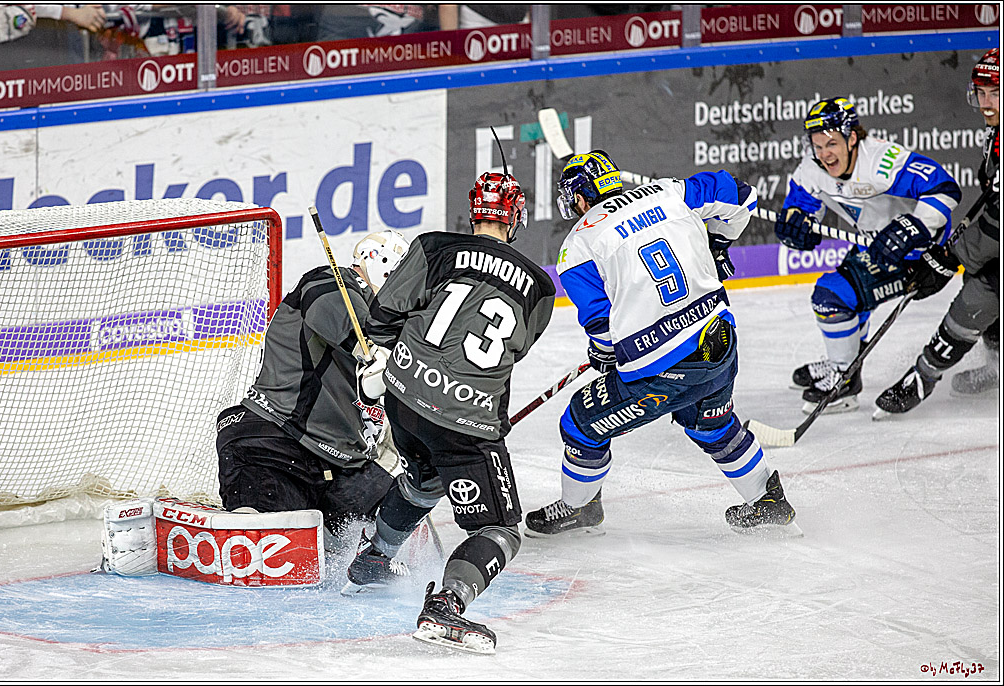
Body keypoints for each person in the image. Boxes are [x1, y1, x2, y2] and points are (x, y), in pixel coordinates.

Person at [524, 151, 797, 539]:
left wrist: (604, 353)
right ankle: (768, 501)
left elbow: (601, 326)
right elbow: (740, 193)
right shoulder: (668, 193)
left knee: (581, 423)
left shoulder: (579, 242)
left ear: (580, 199)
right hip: (718, 341)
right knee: (710, 423)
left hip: (663, 369)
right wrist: (717, 243)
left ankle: (580, 507)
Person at [341, 170, 556, 655]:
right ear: (516, 215)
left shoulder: (433, 246)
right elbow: (511, 352)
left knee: (423, 479)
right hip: (464, 420)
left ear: (473, 210)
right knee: (498, 531)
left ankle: (376, 558)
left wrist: (391, 355)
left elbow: (381, 318)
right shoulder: (540, 287)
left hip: (403, 397)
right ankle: (447, 605)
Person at [214, 230, 409, 554]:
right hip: (274, 440)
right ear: (384, 267)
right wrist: (375, 351)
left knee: (409, 487)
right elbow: (337, 316)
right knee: (261, 544)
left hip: (334, 463)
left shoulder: (387, 326)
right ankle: (243, 524)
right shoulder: (333, 282)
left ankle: (364, 551)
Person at [774, 97, 961, 412]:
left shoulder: (881, 162)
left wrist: (914, 226)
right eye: (818, 145)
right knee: (850, 301)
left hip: (920, 257)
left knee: (831, 296)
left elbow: (945, 189)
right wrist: (796, 225)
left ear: (851, 138)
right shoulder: (812, 166)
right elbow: (801, 208)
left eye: (831, 144)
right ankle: (844, 365)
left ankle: (843, 380)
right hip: (874, 246)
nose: (824, 154)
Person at [875, 48, 1000, 414]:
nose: (986, 103)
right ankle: (998, 365)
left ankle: (924, 375)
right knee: (978, 275)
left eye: (996, 92)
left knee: (979, 296)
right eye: (982, 92)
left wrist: (952, 256)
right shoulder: (996, 135)